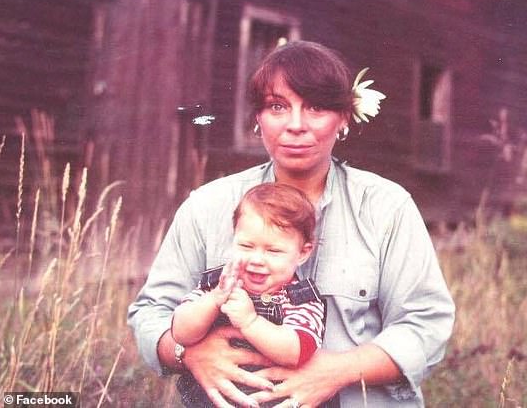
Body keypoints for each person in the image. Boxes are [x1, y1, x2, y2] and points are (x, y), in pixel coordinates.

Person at [128, 40, 455, 408]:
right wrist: (186, 353)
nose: (296, 125)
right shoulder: (208, 205)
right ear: (257, 118)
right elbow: (151, 313)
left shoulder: (386, 208)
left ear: (344, 117)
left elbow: (426, 326)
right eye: (277, 106)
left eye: (315, 108)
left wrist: (337, 371)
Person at [172, 183, 328, 407]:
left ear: (303, 252)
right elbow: (181, 332)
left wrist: (250, 321)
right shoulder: (218, 285)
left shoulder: (300, 299)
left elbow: (296, 351)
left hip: (271, 399)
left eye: (273, 251)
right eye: (246, 246)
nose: (257, 259)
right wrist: (214, 300)